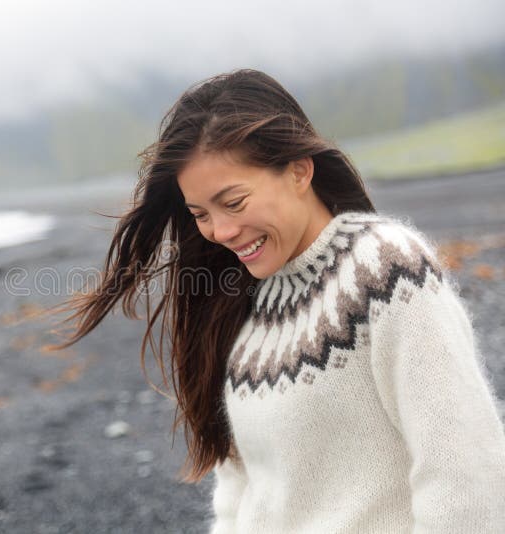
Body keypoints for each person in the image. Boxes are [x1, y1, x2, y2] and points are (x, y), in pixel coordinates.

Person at [42, 68, 505, 532]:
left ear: (299, 170)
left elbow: (465, 468)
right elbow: (238, 488)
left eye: (235, 202)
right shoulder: (236, 302)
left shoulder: (386, 269)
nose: (220, 232)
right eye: (200, 214)